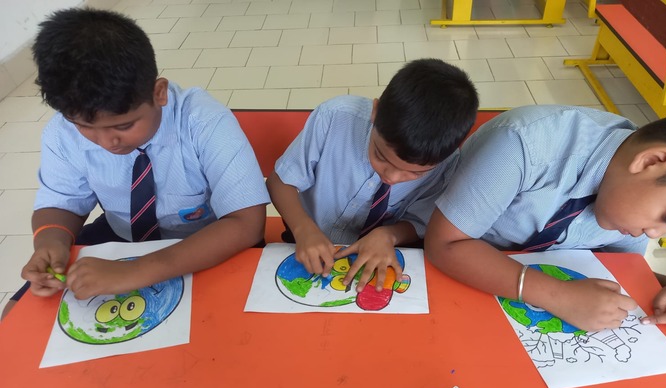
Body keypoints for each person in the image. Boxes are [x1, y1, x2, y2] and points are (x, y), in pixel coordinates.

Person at [1, 8, 269, 319]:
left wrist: (138, 270)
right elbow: (61, 203)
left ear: (159, 93)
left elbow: (246, 224)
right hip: (122, 234)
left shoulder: (204, 122)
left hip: (206, 239)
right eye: (85, 126)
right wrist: (51, 243)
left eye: (124, 125)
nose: (106, 142)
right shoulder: (62, 133)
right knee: (15, 316)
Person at [425, 105, 666, 348]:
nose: (655, 233)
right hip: (445, 282)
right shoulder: (523, 143)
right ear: (650, 161)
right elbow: (445, 244)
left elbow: (621, 268)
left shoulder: (627, 201)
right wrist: (558, 295)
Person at [266, 58, 478, 291]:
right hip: (303, 235)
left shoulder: (446, 164)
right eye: (381, 156)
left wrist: (389, 235)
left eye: (415, 173)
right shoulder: (334, 117)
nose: (392, 177)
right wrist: (302, 228)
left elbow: (420, 222)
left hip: (382, 251)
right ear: (375, 112)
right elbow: (279, 181)